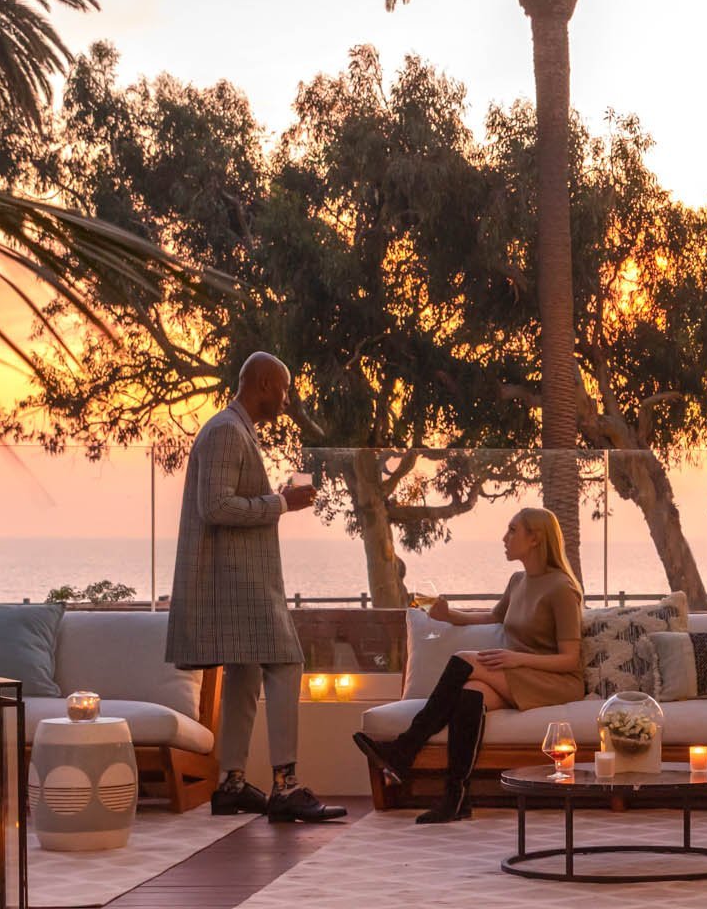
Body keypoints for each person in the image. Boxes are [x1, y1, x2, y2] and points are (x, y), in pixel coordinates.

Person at [164, 352, 345, 824]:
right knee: (287, 661)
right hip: (237, 582)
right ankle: (285, 786)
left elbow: (225, 501)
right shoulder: (226, 430)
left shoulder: (232, 429)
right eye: (283, 390)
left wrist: (277, 500)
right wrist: (280, 503)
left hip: (237, 578)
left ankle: (231, 784)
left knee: (244, 673)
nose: (286, 401)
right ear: (263, 383)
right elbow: (216, 507)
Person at [355, 507, 586, 823]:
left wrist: (515, 658)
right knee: (470, 693)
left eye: (512, 530)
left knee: (464, 660)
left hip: (553, 680)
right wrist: (449, 616)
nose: (504, 538)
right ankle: (456, 798)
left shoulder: (561, 588)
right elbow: (494, 618)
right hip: (518, 675)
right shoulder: (518, 581)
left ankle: (404, 749)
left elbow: (570, 659)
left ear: (535, 538)